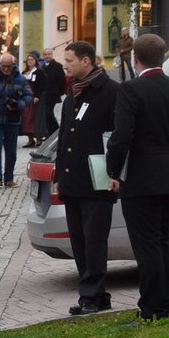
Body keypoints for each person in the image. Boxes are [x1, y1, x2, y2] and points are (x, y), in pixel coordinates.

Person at [105, 34, 169, 321]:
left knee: (146, 245)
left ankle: (152, 308)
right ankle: (164, 303)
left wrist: (112, 171)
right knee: (163, 241)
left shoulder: (131, 90)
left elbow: (121, 137)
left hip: (143, 178)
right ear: (162, 57)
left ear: (135, 59)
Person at [54, 40, 120, 316]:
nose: (65, 66)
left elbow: (117, 137)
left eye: (69, 61)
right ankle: (97, 295)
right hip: (73, 180)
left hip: (98, 179)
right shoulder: (74, 92)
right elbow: (65, 136)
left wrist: (115, 172)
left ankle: (90, 296)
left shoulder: (111, 92)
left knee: (94, 241)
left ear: (86, 61)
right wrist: (59, 173)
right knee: (79, 242)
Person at [0, 52, 33, 189]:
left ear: (13, 65)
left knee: (11, 151)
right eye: (4, 66)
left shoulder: (20, 79)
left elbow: (29, 96)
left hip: (12, 120)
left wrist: (18, 104)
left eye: (9, 66)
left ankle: (9, 178)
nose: (6, 69)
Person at [35, 46, 67, 139]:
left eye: (49, 54)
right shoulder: (41, 67)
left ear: (52, 55)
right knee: (46, 113)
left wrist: (60, 92)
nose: (47, 56)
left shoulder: (57, 66)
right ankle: (50, 132)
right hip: (44, 94)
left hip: (53, 93)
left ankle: (56, 130)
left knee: (48, 112)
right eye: (45, 54)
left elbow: (61, 80)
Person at [20, 51, 42, 146]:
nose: (30, 61)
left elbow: (42, 85)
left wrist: (37, 96)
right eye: (28, 60)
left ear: (35, 61)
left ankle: (38, 138)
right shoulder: (24, 72)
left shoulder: (39, 72)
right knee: (26, 118)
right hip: (26, 97)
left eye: (32, 59)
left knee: (36, 118)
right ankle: (30, 139)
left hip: (35, 97)